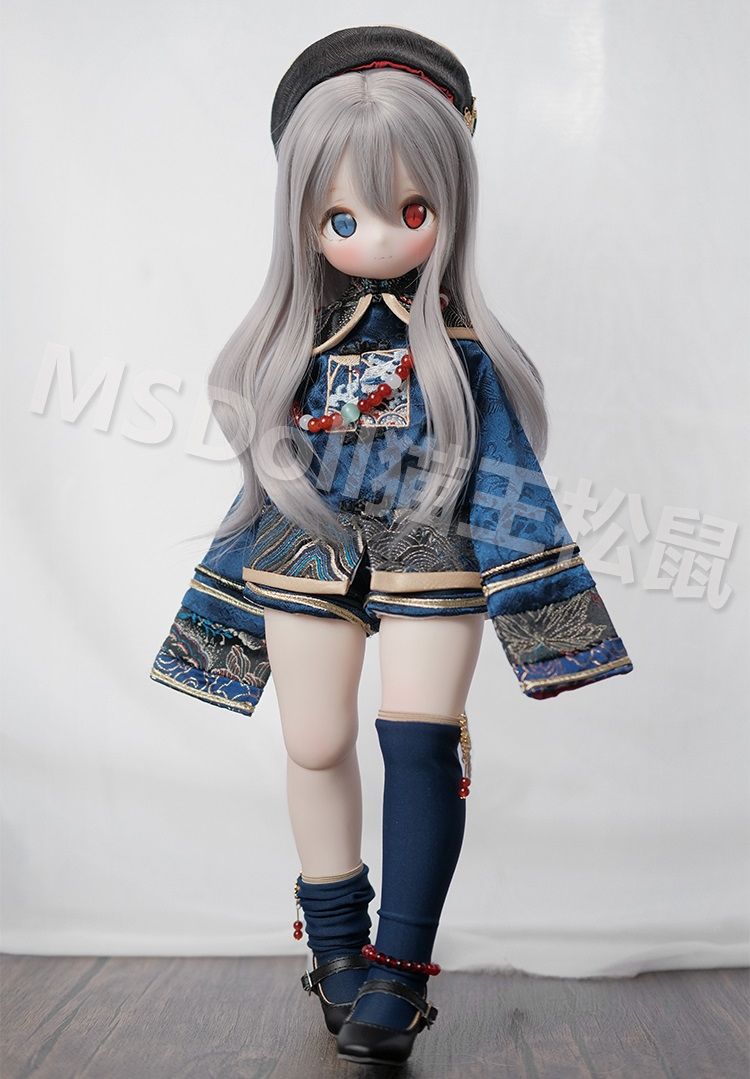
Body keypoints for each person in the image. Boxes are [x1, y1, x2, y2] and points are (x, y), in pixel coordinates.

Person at [150, 26, 634, 1066]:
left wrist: (545, 614)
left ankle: (401, 967)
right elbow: (265, 481)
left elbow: (508, 486)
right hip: (307, 548)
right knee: (314, 740)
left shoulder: (459, 357)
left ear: (450, 209)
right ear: (303, 219)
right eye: (342, 217)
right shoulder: (296, 349)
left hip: (435, 549)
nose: (375, 239)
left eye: (412, 213)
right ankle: (336, 947)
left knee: (420, 740)